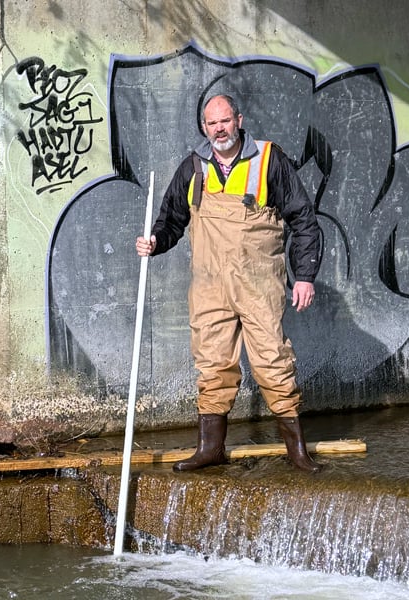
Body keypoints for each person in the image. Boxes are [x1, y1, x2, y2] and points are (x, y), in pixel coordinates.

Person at [135, 94, 322, 473]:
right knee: (213, 364)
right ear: (204, 127)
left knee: (272, 361)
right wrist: (154, 242)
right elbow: (171, 220)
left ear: (239, 119)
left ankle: (297, 451)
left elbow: (303, 219)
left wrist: (304, 276)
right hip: (209, 288)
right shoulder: (193, 167)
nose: (219, 129)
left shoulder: (269, 160)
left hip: (258, 286)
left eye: (225, 121)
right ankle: (211, 449)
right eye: (211, 123)